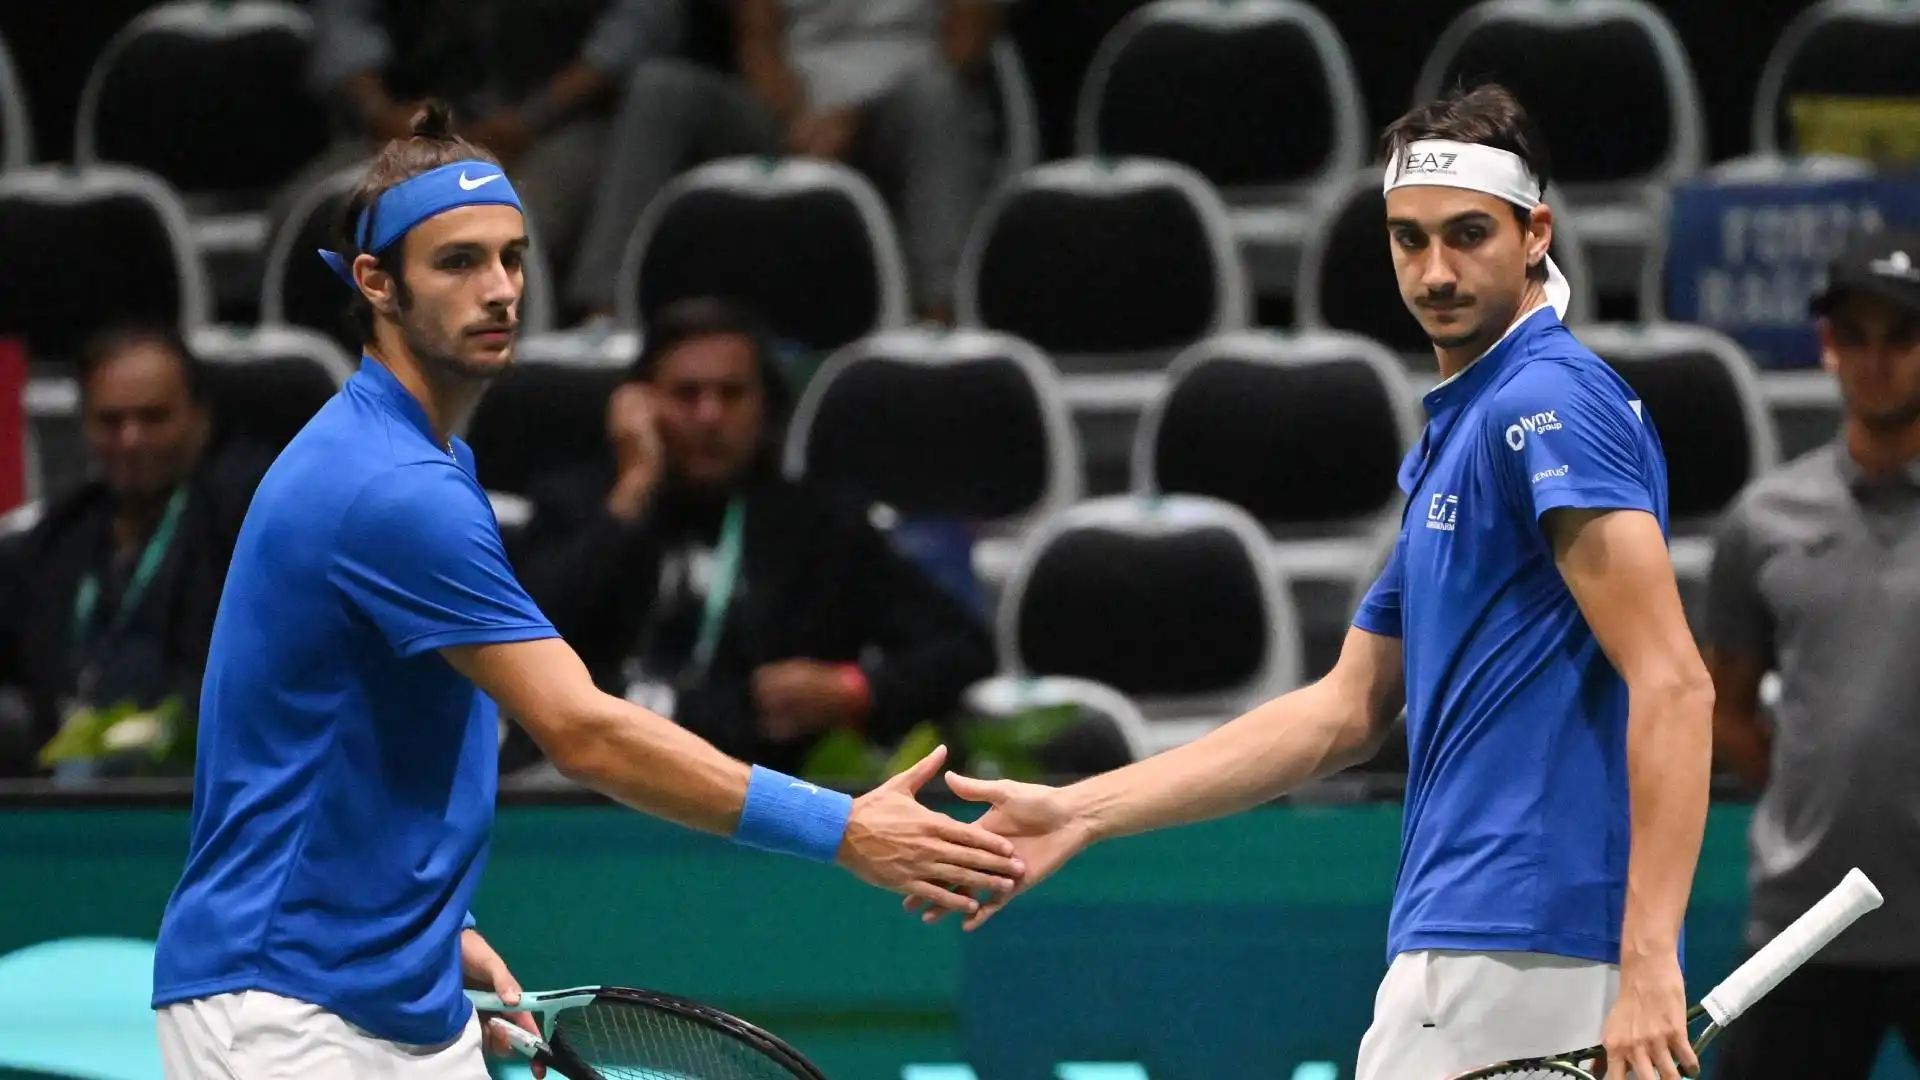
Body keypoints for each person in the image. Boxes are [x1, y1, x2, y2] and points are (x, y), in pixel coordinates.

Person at [149, 103, 1022, 1079]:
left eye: (512, 258)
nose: (499, 290)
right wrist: (843, 828)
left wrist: (434, 922)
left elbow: (360, 728)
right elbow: (583, 732)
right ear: (376, 283)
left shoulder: (428, 466)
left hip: (395, 987)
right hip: (283, 1001)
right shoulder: (388, 490)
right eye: (458, 262)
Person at [915, 84, 1715, 1080]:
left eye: (1468, 235)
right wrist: (1083, 810)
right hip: (1481, 938)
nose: (1435, 271)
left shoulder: (1550, 404)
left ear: (1535, 233)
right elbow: (1343, 712)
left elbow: (1674, 682)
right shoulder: (1468, 428)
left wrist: (1648, 959)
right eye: (1409, 239)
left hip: (1526, 944)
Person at [513, 296, 996, 778]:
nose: (709, 416)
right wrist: (633, 490)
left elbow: (962, 647)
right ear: (638, 406)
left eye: (731, 394)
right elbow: (519, 646)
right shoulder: (578, 508)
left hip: (761, 784)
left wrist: (855, 690)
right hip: (584, 783)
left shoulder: (821, 526)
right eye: (686, 394)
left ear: (766, 406)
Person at [1702, 230, 1920, 1080]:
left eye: (1901, 336)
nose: (1877, 361)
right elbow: (1724, 706)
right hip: (1806, 924)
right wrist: (1807, 797)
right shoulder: (1763, 520)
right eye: (1855, 336)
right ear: (1828, 346)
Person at [564, 0, 1003, 324]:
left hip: (901, 107)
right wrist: (797, 119)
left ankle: (940, 321)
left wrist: (852, 118)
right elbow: (757, 39)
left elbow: (966, 42)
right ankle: (603, 316)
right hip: (794, 109)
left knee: (935, 94)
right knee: (659, 87)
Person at [0, 325, 271, 780]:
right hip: (57, 796)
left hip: (196, 790)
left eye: (153, 418)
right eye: (111, 421)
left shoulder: (251, 527)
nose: (131, 439)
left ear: (200, 419)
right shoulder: (51, 542)